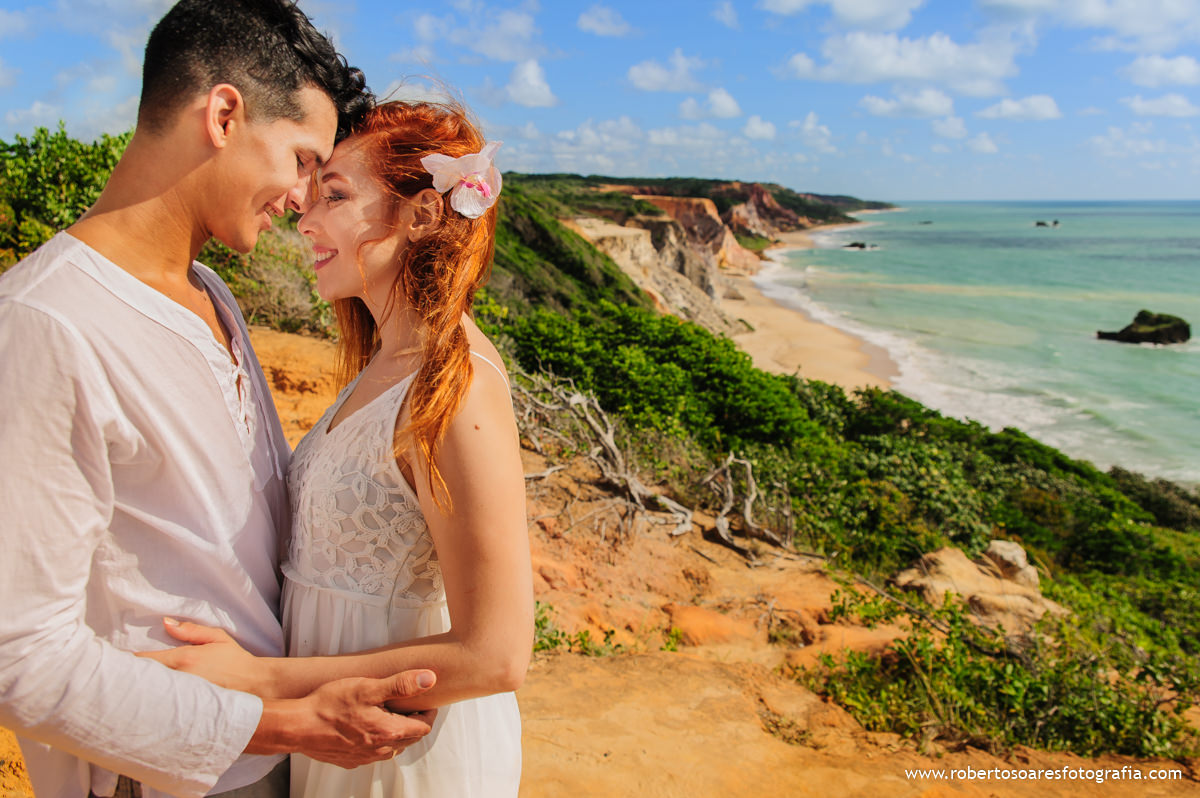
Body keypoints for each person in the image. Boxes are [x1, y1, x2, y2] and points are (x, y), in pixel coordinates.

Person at [0, 3, 440, 797]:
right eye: (304, 160)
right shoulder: (44, 322)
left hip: (269, 760)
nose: (305, 200)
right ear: (225, 114)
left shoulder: (211, 294)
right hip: (165, 775)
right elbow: (17, 655)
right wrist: (280, 722)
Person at [142, 99, 534, 798]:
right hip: (343, 736)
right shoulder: (384, 363)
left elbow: (496, 654)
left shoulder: (456, 385)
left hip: (408, 762)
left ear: (420, 215)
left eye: (336, 196)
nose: (305, 217)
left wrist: (264, 680)